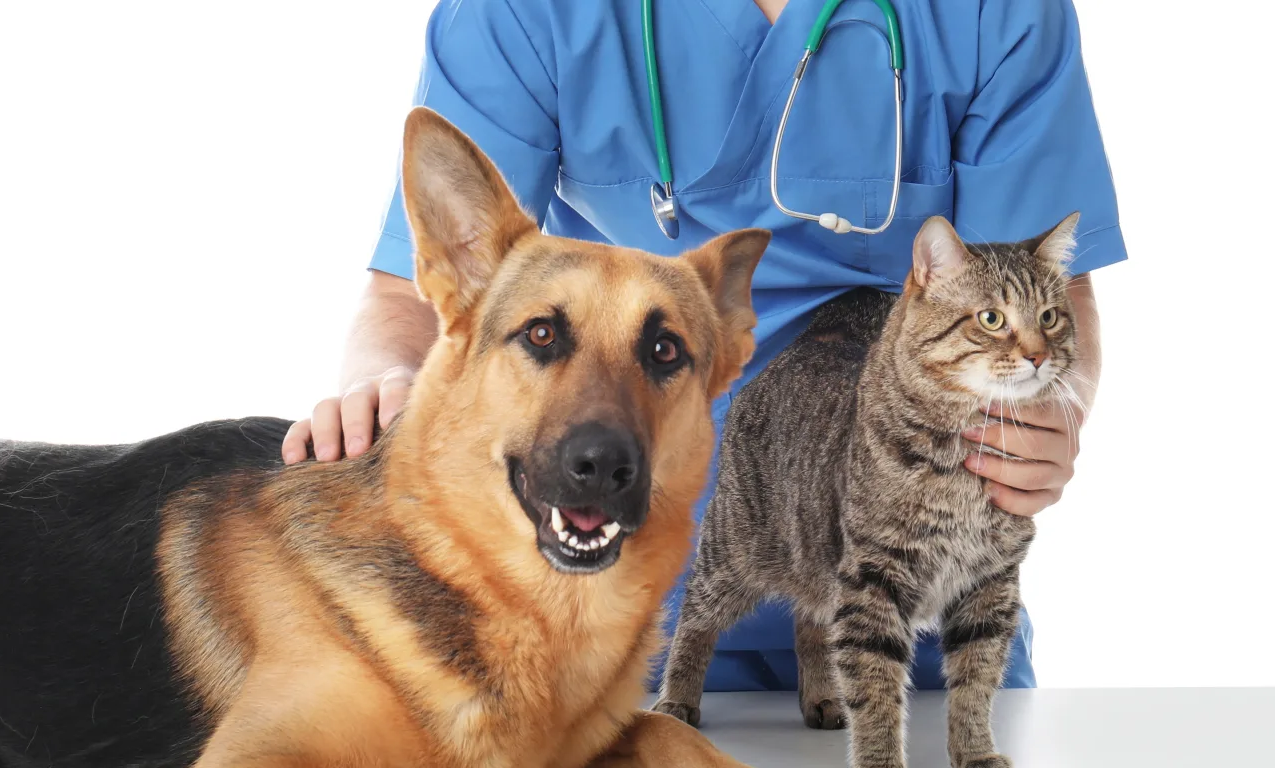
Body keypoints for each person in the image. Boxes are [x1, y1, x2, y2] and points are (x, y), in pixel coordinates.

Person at [281, 0, 1124, 692]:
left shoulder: (995, 12)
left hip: (912, 597)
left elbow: (1053, 292)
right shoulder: (524, 13)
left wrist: (1064, 408)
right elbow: (419, 289)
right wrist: (385, 378)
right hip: (592, 608)